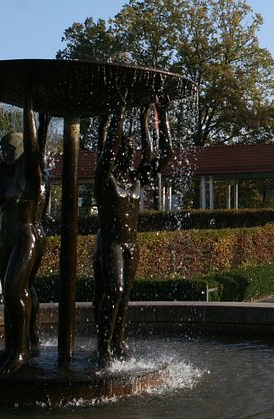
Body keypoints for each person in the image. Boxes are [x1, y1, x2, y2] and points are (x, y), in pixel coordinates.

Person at [93, 99, 172, 367]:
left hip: (131, 244)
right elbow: (107, 149)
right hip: (111, 242)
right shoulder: (105, 179)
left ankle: (118, 341)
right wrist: (120, 110)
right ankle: (103, 346)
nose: (129, 152)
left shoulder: (138, 178)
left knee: (125, 294)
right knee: (113, 290)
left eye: (132, 149)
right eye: (123, 148)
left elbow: (166, 153)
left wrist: (159, 115)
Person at [0, 90, 48, 375]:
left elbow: (32, 146)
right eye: (2, 150)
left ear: (19, 153)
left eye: (8, 151)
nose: (2, 154)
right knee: (10, 294)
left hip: (27, 236)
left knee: (17, 290)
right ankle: (11, 347)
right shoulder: (3, 173)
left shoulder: (31, 173)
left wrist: (29, 104)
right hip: (5, 238)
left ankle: (22, 351)